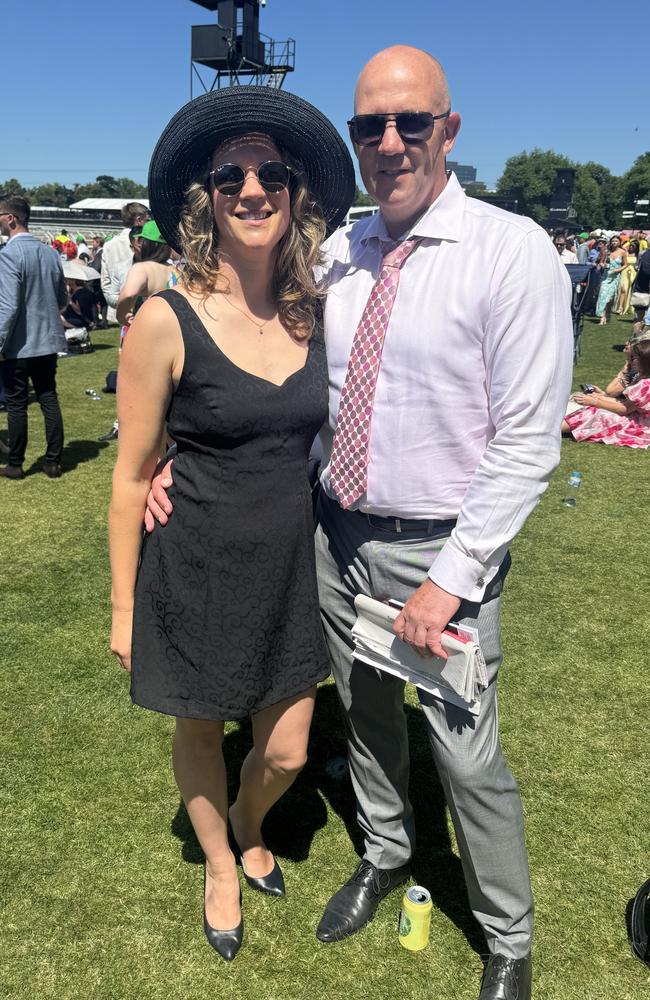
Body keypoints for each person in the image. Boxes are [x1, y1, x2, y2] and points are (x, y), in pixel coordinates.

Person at [147, 46, 573, 999]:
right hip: (332, 534)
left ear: (448, 130)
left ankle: (508, 935)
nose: (389, 144)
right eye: (369, 126)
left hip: (439, 547)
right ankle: (385, 853)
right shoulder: (338, 252)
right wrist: (177, 456)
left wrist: (452, 575)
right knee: (370, 720)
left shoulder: (512, 252)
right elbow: (292, 389)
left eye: (410, 122)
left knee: (466, 751)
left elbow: (528, 442)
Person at [109, 86, 355, 962]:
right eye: (231, 175)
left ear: (297, 195)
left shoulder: (316, 315)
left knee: (287, 749)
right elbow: (132, 474)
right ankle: (221, 857)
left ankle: (252, 817)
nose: (253, 189)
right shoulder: (166, 319)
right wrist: (123, 606)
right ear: (206, 198)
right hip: (197, 565)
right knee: (200, 727)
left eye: (272, 173)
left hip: (293, 568)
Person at [0, 195, 68, 480]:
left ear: (11, 218)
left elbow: (8, 305)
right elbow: (62, 298)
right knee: (48, 398)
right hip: (47, 341)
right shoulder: (50, 253)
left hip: (18, 344)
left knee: (17, 405)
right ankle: (53, 461)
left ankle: (16, 464)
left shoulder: (8, 254)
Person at [562, 336, 650, 446]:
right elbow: (624, 403)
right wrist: (599, 398)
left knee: (596, 413)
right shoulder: (642, 378)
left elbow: (624, 409)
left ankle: (555, 428)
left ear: (645, 361)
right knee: (592, 406)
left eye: (635, 358)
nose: (632, 362)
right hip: (636, 418)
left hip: (640, 427)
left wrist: (595, 402)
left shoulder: (646, 384)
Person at [100, 201, 148, 321]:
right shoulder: (147, 242)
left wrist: (120, 304)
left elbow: (105, 284)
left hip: (121, 310)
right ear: (139, 220)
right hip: (144, 307)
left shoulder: (109, 245)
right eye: (146, 220)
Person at [596, 235, 627, 324]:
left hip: (615, 278)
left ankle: (608, 314)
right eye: (613, 241)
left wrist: (617, 270)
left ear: (619, 242)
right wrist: (603, 265)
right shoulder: (607, 252)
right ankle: (602, 318)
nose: (614, 243)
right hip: (606, 277)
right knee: (603, 295)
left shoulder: (622, 252)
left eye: (616, 241)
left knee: (610, 298)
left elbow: (625, 264)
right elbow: (601, 262)